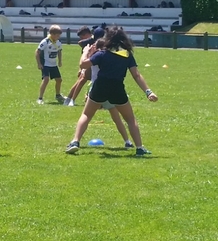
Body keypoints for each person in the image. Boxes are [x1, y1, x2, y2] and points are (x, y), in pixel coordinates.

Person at [65, 26, 158, 156]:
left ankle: (75, 142)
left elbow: (83, 65)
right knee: (130, 119)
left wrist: (85, 52)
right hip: (117, 88)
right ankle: (139, 148)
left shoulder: (102, 53)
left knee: (86, 115)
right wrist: (148, 92)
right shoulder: (126, 54)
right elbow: (136, 75)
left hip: (100, 87)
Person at [88, 37, 135, 148]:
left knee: (86, 116)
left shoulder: (97, 57)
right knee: (116, 118)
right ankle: (127, 141)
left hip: (97, 89)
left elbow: (84, 66)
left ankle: (76, 140)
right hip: (110, 89)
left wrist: (87, 53)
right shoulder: (107, 56)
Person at [63, 26, 95, 107]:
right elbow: (83, 57)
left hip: (94, 64)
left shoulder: (94, 40)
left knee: (83, 81)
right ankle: (70, 99)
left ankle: (71, 99)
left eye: (82, 37)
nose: (81, 39)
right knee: (81, 81)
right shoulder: (88, 42)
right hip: (90, 64)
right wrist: (81, 69)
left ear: (87, 34)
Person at [36, 25, 64, 104]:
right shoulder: (45, 42)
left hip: (53, 64)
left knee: (59, 80)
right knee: (46, 79)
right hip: (45, 64)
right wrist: (39, 64)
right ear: (52, 34)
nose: (58, 37)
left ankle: (58, 95)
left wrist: (60, 61)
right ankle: (40, 98)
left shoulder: (58, 42)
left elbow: (59, 51)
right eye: (57, 35)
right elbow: (37, 52)